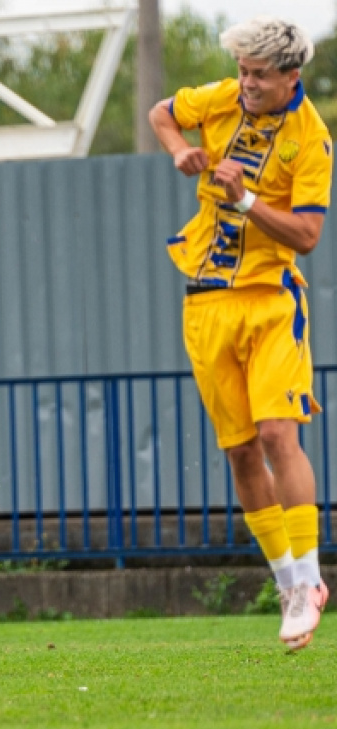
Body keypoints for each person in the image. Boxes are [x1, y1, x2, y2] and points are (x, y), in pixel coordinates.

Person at [149, 17, 333, 650]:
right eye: (242, 71)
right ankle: (286, 584)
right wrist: (179, 150)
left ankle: (311, 580)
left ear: (290, 77)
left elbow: (308, 236)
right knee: (241, 451)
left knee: (280, 433)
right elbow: (161, 112)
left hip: (270, 300)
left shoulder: (311, 138)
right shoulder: (224, 98)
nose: (246, 84)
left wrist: (247, 199)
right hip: (205, 302)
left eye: (258, 75)